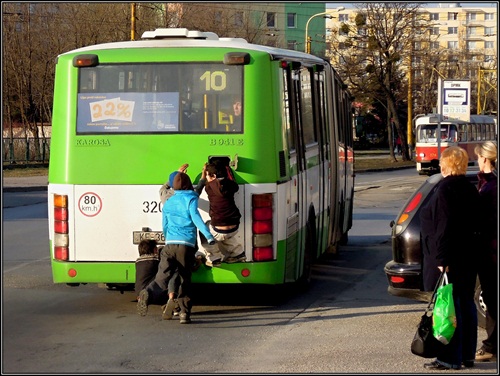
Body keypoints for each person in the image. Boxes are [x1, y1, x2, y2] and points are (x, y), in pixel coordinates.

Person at [419, 146, 481, 370]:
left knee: (449, 309)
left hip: (450, 258)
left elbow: (444, 227)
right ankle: (467, 355)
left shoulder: (445, 190)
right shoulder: (469, 188)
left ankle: (449, 357)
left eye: (442, 161)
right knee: (466, 305)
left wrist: (441, 260)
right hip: (468, 256)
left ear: (447, 164)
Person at [138, 172, 215, 324]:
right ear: (187, 184)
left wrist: (168, 240)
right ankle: (184, 313)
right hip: (185, 245)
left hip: (169, 244)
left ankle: (147, 293)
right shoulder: (191, 198)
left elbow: (165, 225)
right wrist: (209, 236)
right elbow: (196, 219)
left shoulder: (169, 202)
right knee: (184, 278)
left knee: (162, 276)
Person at [474, 141, 498, 362]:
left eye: (479, 157)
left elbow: (485, 221)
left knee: (492, 299)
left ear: (485, 158)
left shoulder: (491, 187)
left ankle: (491, 346)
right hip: (489, 251)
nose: (477, 161)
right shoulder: (488, 183)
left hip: (491, 253)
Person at [197, 161, 244, 267]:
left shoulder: (208, 188)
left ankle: (215, 257)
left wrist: (203, 173)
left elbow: (203, 183)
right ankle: (238, 253)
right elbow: (234, 185)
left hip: (219, 230)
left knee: (204, 229)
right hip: (234, 227)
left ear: (212, 176)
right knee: (223, 232)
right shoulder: (231, 185)